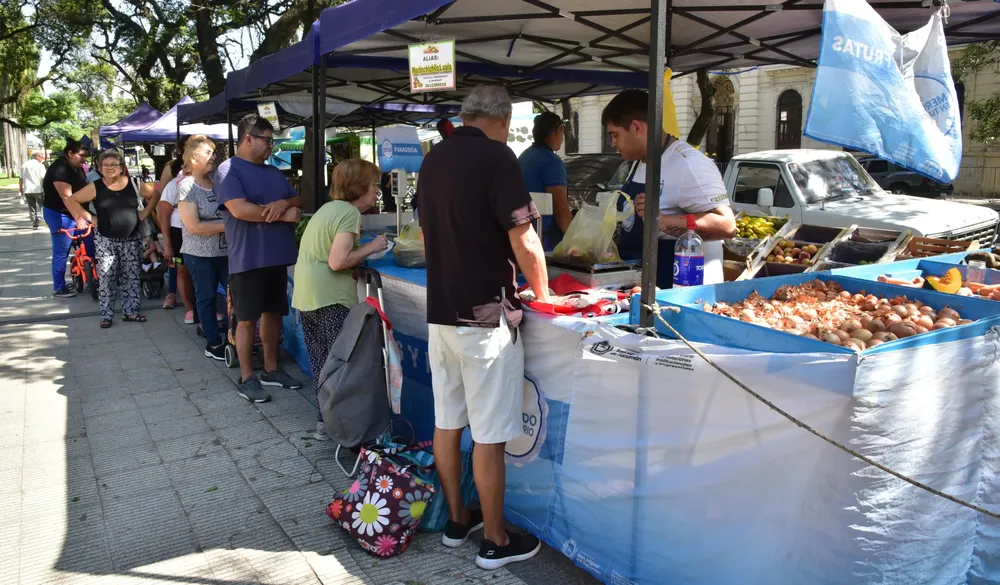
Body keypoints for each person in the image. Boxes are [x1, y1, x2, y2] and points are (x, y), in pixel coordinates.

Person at [417, 85, 550, 570]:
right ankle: (494, 539)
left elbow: (429, 233)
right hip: (484, 317)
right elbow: (524, 237)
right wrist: (547, 294)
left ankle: (458, 521)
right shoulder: (498, 157)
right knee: (489, 435)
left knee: (448, 421)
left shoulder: (434, 159)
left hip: (441, 313)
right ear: (501, 118)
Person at [292, 159, 388, 440]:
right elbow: (337, 261)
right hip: (330, 298)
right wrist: (372, 247)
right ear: (358, 187)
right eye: (373, 185)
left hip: (307, 296)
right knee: (342, 365)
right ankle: (345, 428)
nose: (376, 191)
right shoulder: (348, 214)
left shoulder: (328, 209)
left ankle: (326, 422)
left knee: (322, 363)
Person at [601, 89, 737, 287]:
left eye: (615, 135)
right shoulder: (639, 162)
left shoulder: (689, 164)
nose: (613, 143)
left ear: (637, 127)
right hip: (642, 280)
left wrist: (662, 220)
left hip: (682, 287)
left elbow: (726, 225)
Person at [216, 114, 303, 403]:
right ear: (248, 138)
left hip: (276, 256)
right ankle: (246, 377)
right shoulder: (229, 170)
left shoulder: (274, 172)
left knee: (274, 314)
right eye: (267, 140)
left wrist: (283, 204)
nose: (271, 146)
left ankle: (271, 368)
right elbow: (239, 210)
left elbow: (297, 199)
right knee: (246, 319)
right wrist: (282, 216)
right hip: (248, 257)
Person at [64, 149, 158, 328]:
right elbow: (71, 200)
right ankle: (106, 314)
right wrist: (89, 218)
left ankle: (130, 312)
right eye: (105, 165)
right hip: (105, 239)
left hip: (131, 238)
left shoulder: (134, 183)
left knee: (131, 276)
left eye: (114, 164)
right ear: (99, 168)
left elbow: (155, 194)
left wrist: (145, 212)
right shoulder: (96, 186)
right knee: (106, 277)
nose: (109, 168)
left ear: (122, 167)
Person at [176, 135, 230, 361]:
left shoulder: (217, 181)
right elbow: (194, 226)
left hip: (225, 252)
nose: (213, 157)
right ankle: (213, 342)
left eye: (214, 152)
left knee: (232, 296)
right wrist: (230, 225)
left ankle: (233, 336)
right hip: (200, 255)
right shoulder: (187, 187)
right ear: (194, 157)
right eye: (208, 152)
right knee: (206, 297)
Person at [42, 140, 95, 298]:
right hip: (60, 214)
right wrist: (78, 217)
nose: (84, 159)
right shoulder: (60, 170)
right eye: (81, 155)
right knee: (61, 249)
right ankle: (58, 288)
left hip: (78, 211)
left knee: (90, 242)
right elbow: (67, 197)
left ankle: (94, 275)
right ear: (70, 153)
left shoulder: (76, 167)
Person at [518, 112, 570, 251]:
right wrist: (576, 242)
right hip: (544, 241)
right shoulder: (552, 162)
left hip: (522, 235)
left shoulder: (524, 156)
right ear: (559, 131)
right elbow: (561, 211)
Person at [157, 144, 197, 319]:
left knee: (200, 271)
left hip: (201, 234)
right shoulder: (173, 185)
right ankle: (189, 309)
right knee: (182, 270)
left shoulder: (210, 182)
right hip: (178, 232)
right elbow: (163, 216)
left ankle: (203, 307)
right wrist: (167, 244)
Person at [19, 150, 46, 229]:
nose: (42, 158)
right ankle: (43, 218)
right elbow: (43, 178)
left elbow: (21, 178)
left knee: (31, 207)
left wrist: (20, 188)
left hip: (27, 189)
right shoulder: (40, 165)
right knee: (41, 205)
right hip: (38, 188)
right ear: (37, 156)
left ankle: (34, 223)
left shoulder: (24, 164)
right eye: (41, 156)